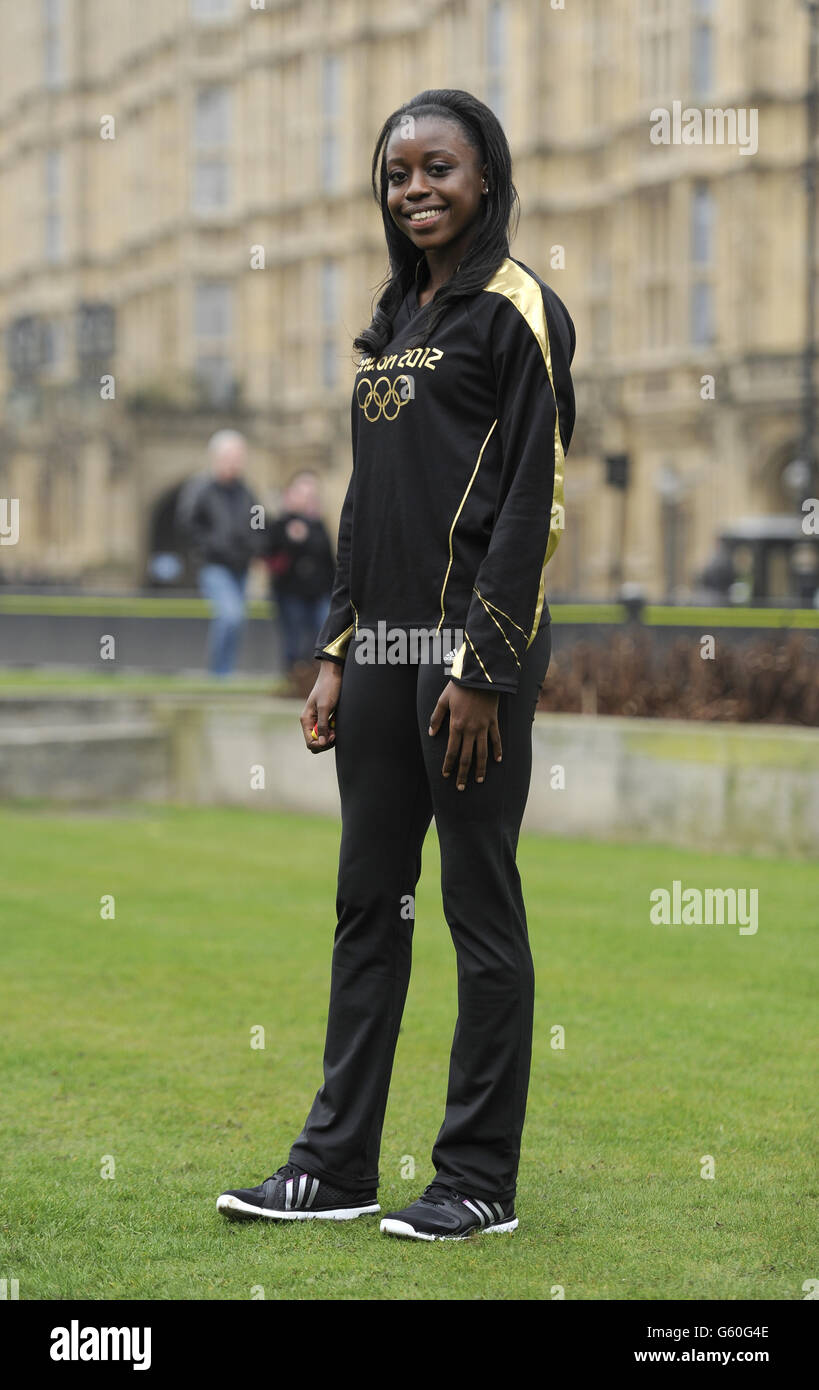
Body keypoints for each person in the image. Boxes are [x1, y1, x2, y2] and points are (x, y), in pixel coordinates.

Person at [217, 88, 576, 1239]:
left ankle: (477, 1178)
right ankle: (335, 1164)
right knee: (369, 903)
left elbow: (533, 500)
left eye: (439, 168)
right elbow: (367, 507)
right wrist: (335, 644)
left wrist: (483, 663)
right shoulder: (397, 322)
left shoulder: (518, 310)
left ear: (487, 178)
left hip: (471, 656)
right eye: (397, 172)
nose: (415, 187)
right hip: (380, 655)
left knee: (478, 908)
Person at [175, 430, 262, 678]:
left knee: (237, 619)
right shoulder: (200, 488)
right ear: (216, 457)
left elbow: (259, 521)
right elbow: (187, 523)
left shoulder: (245, 492)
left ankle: (225, 672)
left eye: (240, 457)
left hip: (240, 566)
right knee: (230, 615)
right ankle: (218, 673)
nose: (236, 463)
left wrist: (255, 546)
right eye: (232, 457)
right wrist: (209, 546)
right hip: (214, 565)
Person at [265, 471, 335, 681]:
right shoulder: (280, 523)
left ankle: (312, 677)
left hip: (318, 591)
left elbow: (327, 556)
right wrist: (291, 539)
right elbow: (268, 552)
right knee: (293, 639)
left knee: (319, 635)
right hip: (290, 592)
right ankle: (293, 677)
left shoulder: (318, 524)